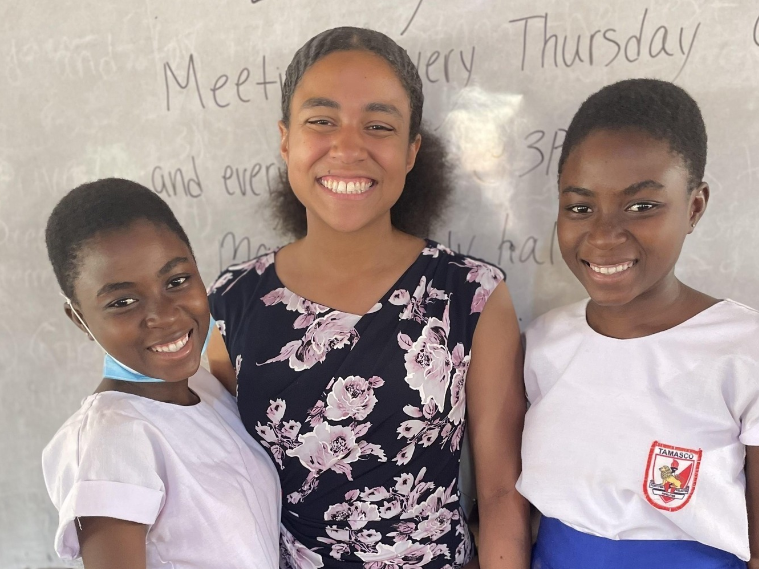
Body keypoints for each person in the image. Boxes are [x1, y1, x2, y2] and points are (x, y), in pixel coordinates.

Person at [207, 27, 529, 569]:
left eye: (378, 126)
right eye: (321, 121)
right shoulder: (233, 304)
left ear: (411, 151)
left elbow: (501, 496)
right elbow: (221, 490)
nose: (349, 147)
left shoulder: (470, 296)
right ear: (286, 140)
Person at [516, 79, 759, 568]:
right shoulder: (541, 344)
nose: (605, 236)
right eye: (580, 207)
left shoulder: (744, 349)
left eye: (642, 206)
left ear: (694, 207)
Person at [42, 179, 280, 569]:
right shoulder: (112, 441)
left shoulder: (206, 387)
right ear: (81, 320)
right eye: (123, 301)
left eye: (177, 281)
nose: (165, 315)